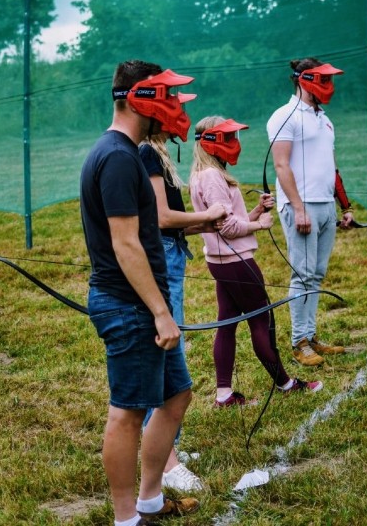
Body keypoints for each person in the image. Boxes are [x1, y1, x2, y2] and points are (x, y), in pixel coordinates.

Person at [80, 60, 199, 526]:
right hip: (130, 307)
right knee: (127, 414)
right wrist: (159, 312)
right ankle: (127, 518)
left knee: (176, 397)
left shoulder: (127, 152)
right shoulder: (116, 157)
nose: (173, 107)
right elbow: (125, 243)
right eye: (165, 97)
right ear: (138, 99)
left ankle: (150, 501)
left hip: (144, 304)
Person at [189, 115, 323, 407]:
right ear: (211, 144)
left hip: (222, 260)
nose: (235, 144)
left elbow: (227, 221)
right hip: (236, 262)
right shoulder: (212, 177)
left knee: (227, 323)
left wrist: (254, 210)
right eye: (228, 139)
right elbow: (228, 228)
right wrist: (260, 225)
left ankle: (224, 395)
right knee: (261, 321)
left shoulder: (205, 174)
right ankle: (286, 384)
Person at [139, 133, 228, 492]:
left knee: (175, 356)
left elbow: (170, 223)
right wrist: (206, 213)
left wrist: (204, 225)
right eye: (173, 102)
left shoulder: (159, 154)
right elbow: (160, 218)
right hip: (161, 260)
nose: (180, 112)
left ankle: (167, 447)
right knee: (164, 357)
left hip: (171, 255)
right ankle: (166, 466)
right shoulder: (147, 152)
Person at [266, 57, 352, 367]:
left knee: (315, 274)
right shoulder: (284, 116)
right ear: (305, 80)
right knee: (301, 275)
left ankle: (311, 336)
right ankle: (298, 342)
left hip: (326, 205)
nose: (330, 87)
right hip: (300, 207)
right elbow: (281, 164)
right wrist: (298, 207)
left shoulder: (324, 119)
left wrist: (345, 206)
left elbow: (331, 166)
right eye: (325, 80)